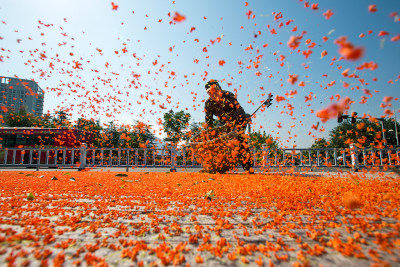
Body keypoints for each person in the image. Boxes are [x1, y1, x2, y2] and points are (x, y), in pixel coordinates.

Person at [203, 79, 254, 173]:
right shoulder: (208, 104)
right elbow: (208, 122)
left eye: (215, 90)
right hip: (222, 121)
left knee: (240, 140)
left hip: (239, 118)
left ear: (219, 89)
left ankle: (248, 168)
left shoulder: (228, 95)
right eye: (210, 92)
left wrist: (231, 125)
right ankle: (218, 167)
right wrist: (209, 135)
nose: (213, 94)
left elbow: (238, 111)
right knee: (218, 142)